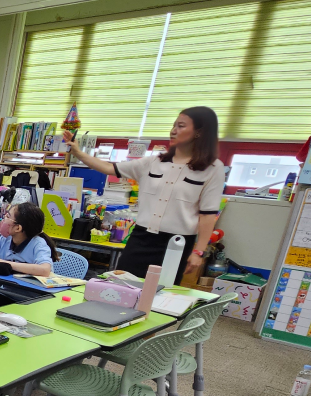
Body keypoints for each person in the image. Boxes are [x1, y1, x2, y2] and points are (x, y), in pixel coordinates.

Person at [64, 106, 226, 277]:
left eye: (181, 126)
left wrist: (199, 251)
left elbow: (207, 214)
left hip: (176, 244)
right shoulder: (153, 162)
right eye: (173, 125)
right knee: (121, 286)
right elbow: (108, 167)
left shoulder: (213, 169)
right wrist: (78, 152)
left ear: (199, 132)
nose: (173, 131)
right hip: (141, 238)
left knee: (160, 293)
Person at [0, 202, 58, 278]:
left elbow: (45, 270)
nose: (4, 218)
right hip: (8, 290)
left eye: (8, 216)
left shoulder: (38, 244)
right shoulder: (6, 239)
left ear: (18, 228)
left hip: (33, 297)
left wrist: (2, 262)